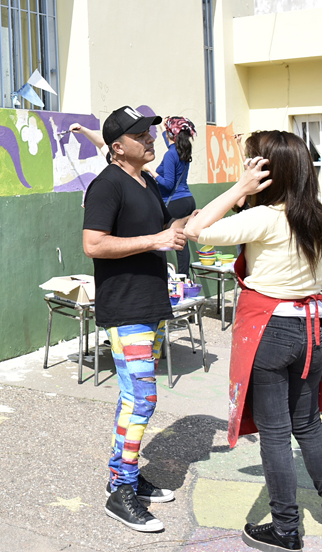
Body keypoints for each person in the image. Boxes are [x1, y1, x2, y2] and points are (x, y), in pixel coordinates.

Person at [184, 131, 322, 552]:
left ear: (265, 172)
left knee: (276, 433)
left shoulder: (264, 218)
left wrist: (238, 190)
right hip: (311, 327)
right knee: (309, 425)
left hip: (271, 328)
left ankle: (285, 528)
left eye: (251, 163)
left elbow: (195, 229)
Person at [83, 105, 191, 533]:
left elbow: (170, 230)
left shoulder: (145, 182)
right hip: (125, 307)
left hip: (150, 305)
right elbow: (93, 244)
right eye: (140, 135)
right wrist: (156, 240)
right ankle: (120, 491)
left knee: (133, 396)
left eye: (149, 132)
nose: (149, 139)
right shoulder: (106, 185)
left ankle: (122, 475)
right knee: (142, 399)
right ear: (117, 146)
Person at [147, 117, 197, 276]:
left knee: (166, 240)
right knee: (182, 243)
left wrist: (150, 171)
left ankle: (172, 278)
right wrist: (163, 127)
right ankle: (184, 278)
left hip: (175, 202)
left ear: (171, 135)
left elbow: (168, 184)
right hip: (187, 200)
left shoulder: (170, 154)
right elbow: (169, 139)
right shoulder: (182, 150)